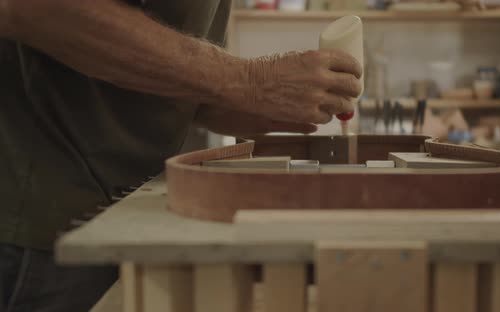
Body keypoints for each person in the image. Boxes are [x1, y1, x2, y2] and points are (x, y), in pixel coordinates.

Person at [0, 1, 362, 311]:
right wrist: (249, 80)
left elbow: (164, 73)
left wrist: (244, 102)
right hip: (40, 219)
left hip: (126, 209)